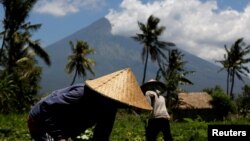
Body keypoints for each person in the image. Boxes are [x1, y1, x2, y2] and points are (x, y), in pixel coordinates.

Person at [27, 68, 152, 141]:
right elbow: (48, 109)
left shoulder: (110, 108)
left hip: (65, 128)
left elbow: (101, 135)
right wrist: (60, 137)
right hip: (40, 122)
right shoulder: (81, 93)